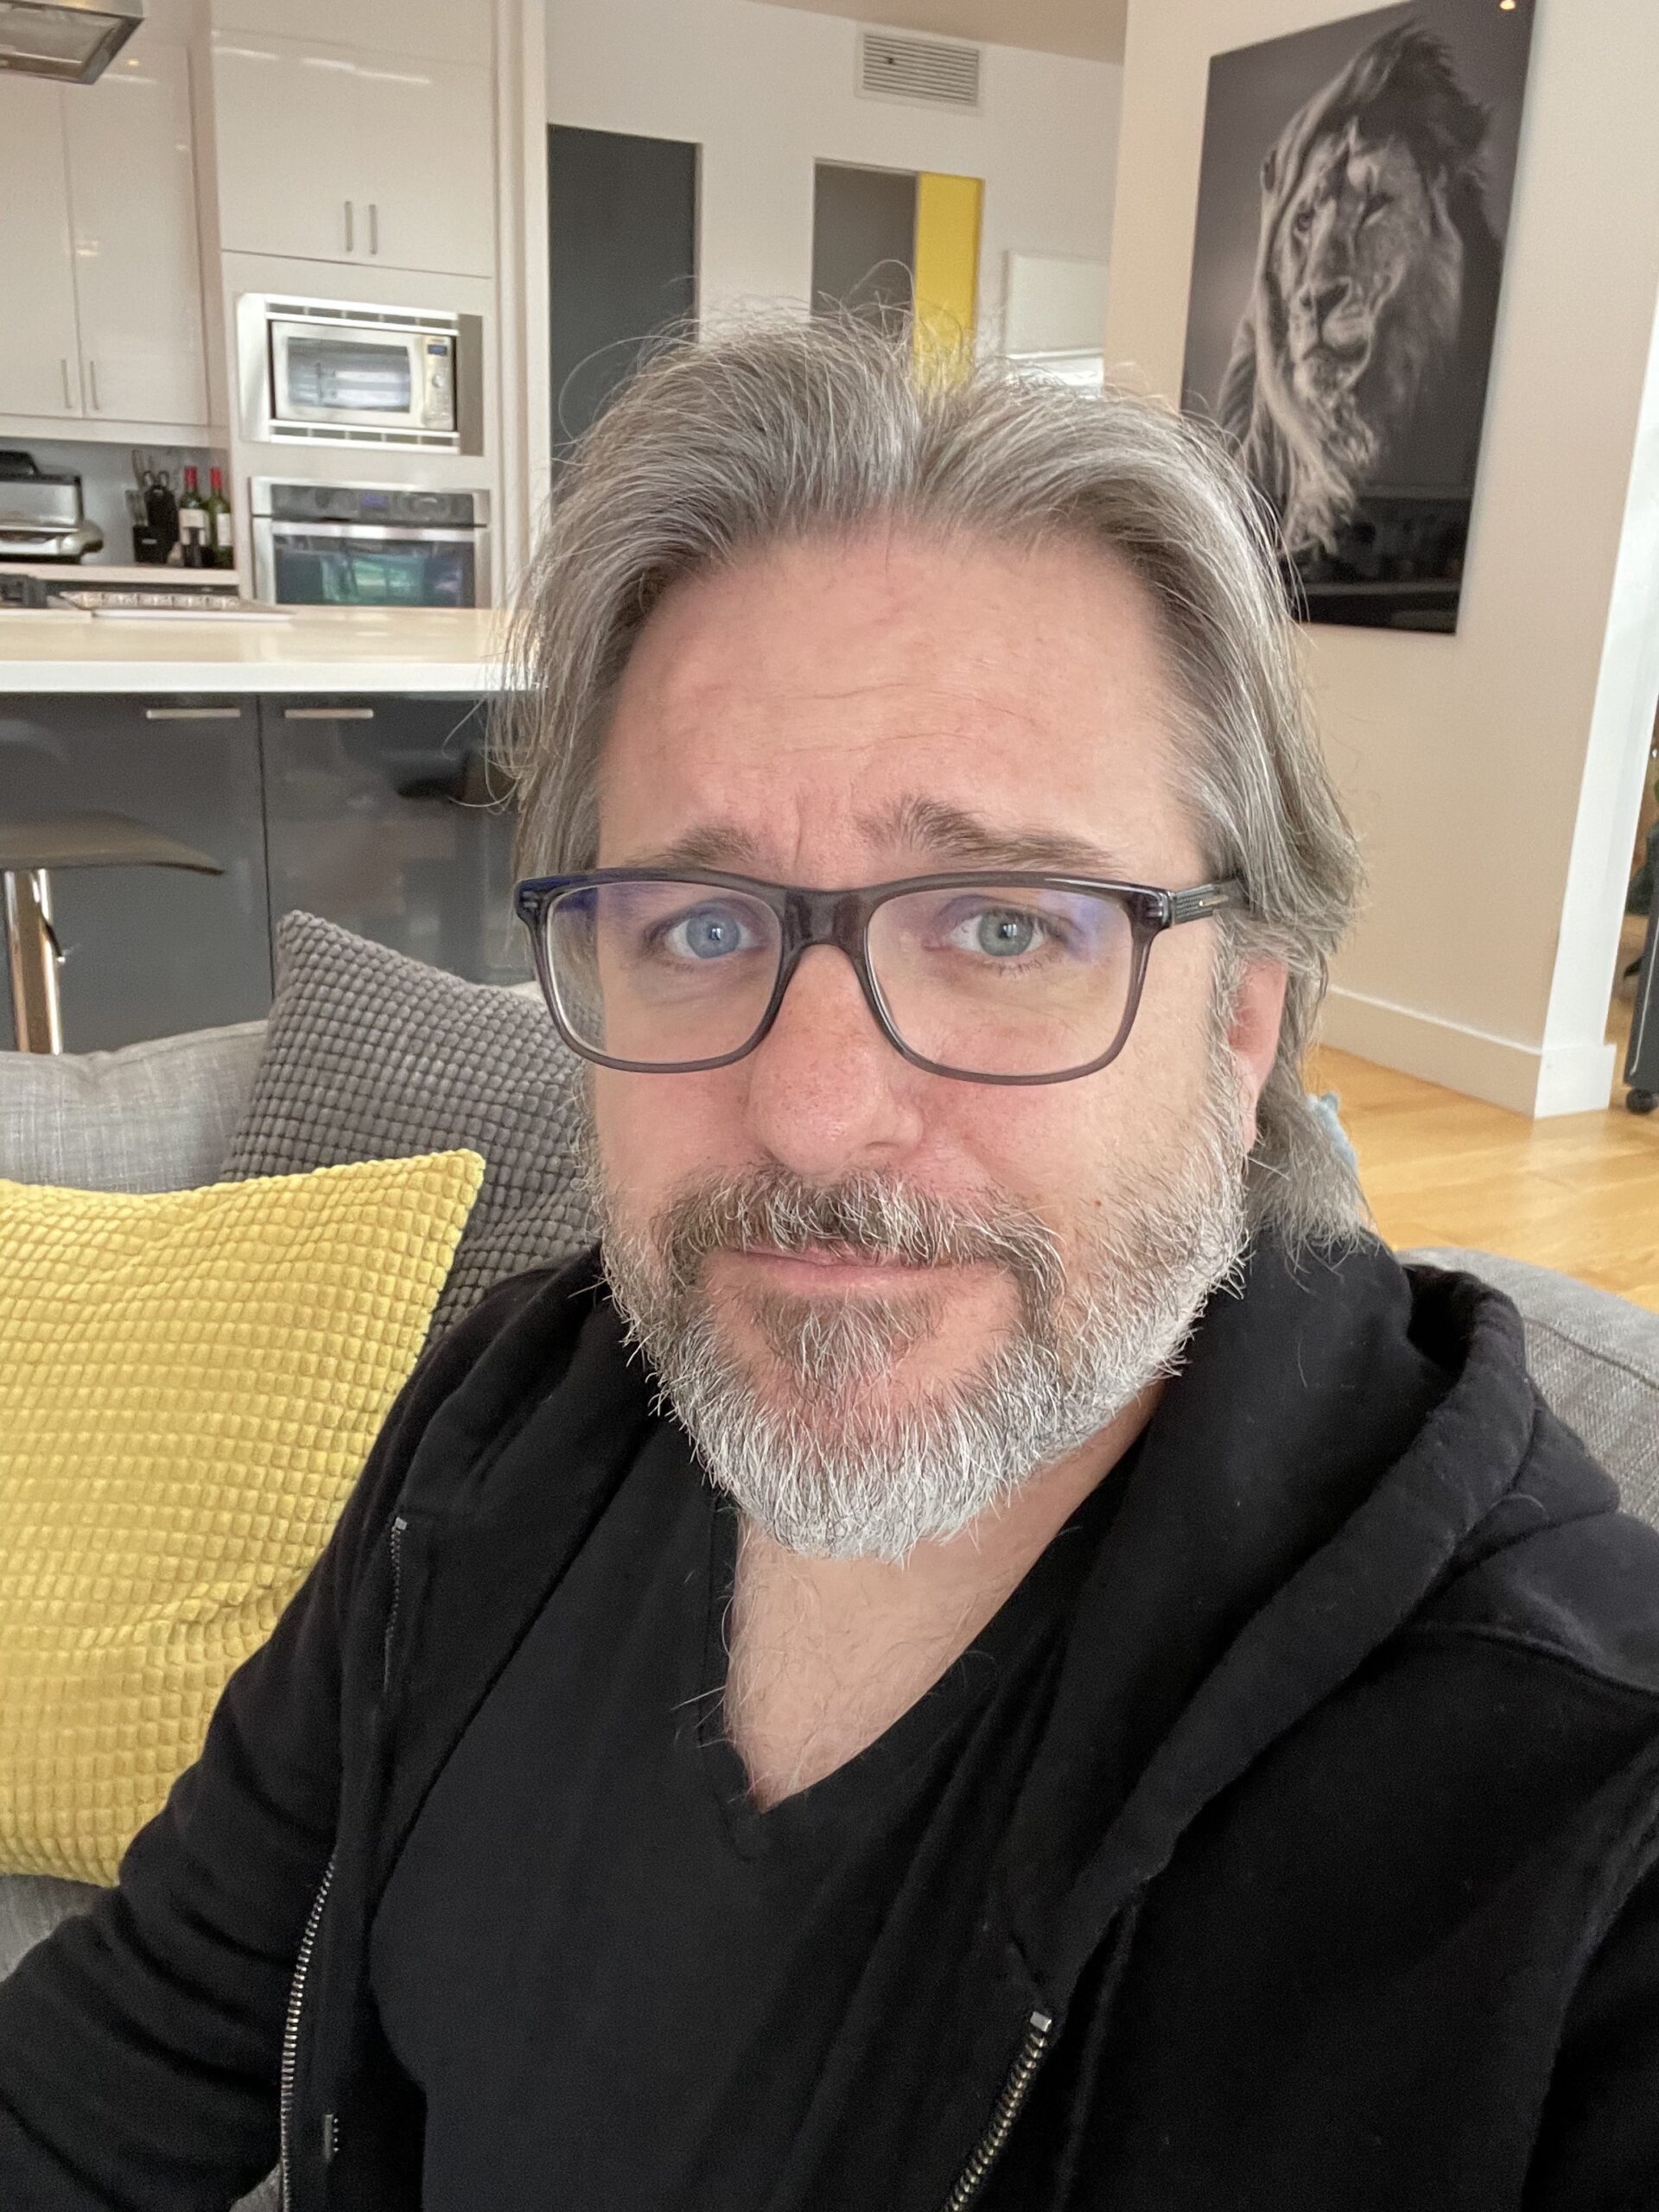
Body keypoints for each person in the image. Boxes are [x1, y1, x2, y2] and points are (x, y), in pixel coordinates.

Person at [3, 317, 1656, 2212]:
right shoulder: (500, 1435)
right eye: (700, 924)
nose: (809, 1113)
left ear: (1245, 1021)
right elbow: (128, 2056)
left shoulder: (1579, 1829)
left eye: (1008, 927)